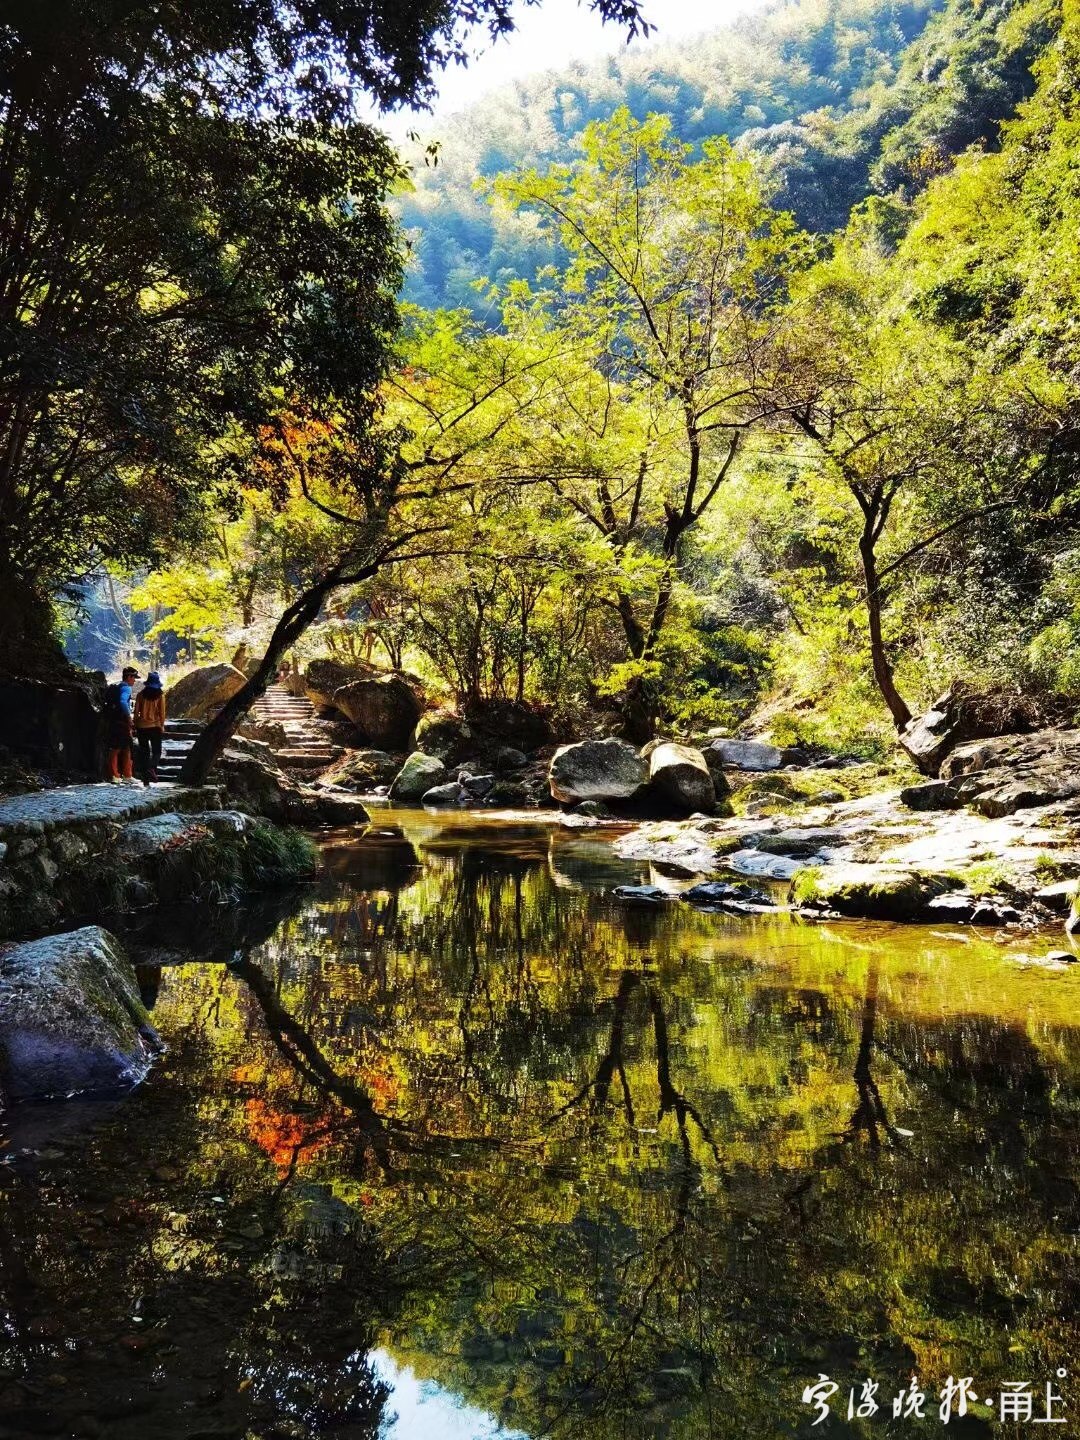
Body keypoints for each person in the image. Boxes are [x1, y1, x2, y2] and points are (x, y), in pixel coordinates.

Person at [106, 666, 139, 781]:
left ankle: (126, 775)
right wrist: (129, 717)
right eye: (134, 677)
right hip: (122, 722)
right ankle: (115, 775)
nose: (134, 680)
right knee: (117, 748)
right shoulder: (126, 688)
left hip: (114, 721)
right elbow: (123, 702)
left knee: (125, 747)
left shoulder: (118, 687)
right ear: (129, 677)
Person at [134, 671, 166, 786]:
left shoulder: (140, 695)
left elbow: (136, 712)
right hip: (155, 727)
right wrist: (162, 725)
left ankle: (146, 779)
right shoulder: (160, 696)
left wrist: (135, 724)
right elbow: (162, 713)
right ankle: (152, 768)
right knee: (157, 751)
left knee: (144, 752)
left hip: (142, 727)